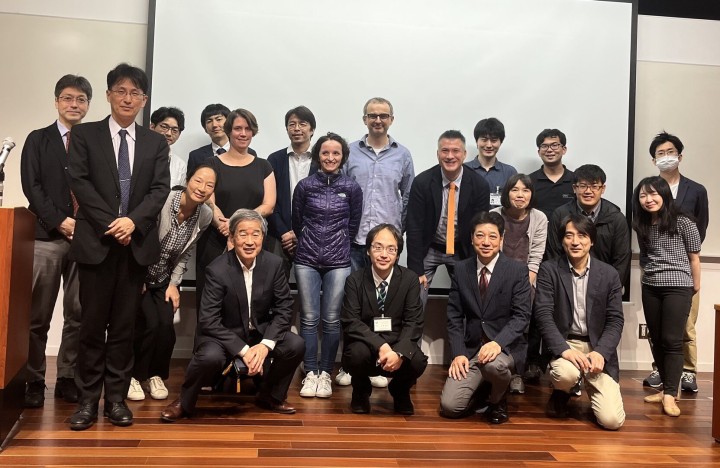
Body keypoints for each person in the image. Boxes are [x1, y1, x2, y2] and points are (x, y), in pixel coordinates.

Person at [67, 63, 170, 430]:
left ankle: (115, 400)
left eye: (136, 93)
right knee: (91, 327)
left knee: (125, 328)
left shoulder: (156, 142)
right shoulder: (85, 136)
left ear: (143, 100)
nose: (128, 99)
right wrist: (113, 223)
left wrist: (133, 222)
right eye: (121, 91)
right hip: (96, 242)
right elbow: (79, 182)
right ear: (109, 94)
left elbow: (159, 190)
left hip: (135, 246)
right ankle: (86, 402)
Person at [160, 209, 305, 421]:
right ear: (232, 237)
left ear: (263, 238)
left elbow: (284, 307)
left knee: (296, 344)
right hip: (224, 335)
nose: (249, 241)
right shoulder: (217, 269)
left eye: (255, 234)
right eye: (242, 234)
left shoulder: (274, 265)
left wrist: (265, 345)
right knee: (209, 357)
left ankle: (271, 396)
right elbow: (208, 320)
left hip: (259, 333)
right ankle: (185, 400)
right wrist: (243, 350)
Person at [20, 74, 92, 408]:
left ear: (88, 104)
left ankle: (66, 377)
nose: (73, 104)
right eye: (67, 98)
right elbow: (31, 187)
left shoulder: (93, 142)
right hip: (46, 237)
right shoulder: (38, 139)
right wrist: (61, 221)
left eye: (80, 99)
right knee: (37, 315)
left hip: (85, 238)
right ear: (56, 101)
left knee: (78, 313)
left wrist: (82, 224)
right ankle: (34, 378)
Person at [338, 97, 414, 388]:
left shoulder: (403, 154)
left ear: (392, 119)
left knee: (385, 308)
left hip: (386, 245)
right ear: (364, 119)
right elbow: (342, 192)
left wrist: (396, 236)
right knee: (354, 306)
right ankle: (350, 364)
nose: (377, 120)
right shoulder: (351, 153)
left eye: (383, 116)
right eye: (372, 115)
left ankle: (381, 363)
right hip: (356, 242)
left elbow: (407, 197)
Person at [128, 165, 216, 402]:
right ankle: (133, 376)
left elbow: (186, 253)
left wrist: (174, 284)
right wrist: (138, 276)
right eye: (199, 181)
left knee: (165, 326)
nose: (202, 188)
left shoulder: (205, 215)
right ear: (188, 180)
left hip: (163, 278)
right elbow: (140, 238)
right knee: (147, 324)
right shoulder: (164, 201)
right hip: (140, 273)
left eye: (210, 185)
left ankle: (154, 375)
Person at [534, 214, 626, 430]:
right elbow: (544, 316)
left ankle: (590, 388)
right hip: (566, 344)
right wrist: (565, 350)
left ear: (592, 241)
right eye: (569, 236)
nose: (575, 242)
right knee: (566, 374)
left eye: (582, 235)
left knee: (612, 421)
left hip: (597, 346)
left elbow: (615, 321)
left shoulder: (609, 274)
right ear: (562, 241)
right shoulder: (549, 270)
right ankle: (562, 391)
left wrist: (601, 352)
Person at [439, 211, 531, 424]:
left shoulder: (517, 270)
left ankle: (498, 399)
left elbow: (521, 316)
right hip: (472, 350)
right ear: (472, 239)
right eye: (480, 236)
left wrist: (497, 343)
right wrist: (459, 353)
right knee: (450, 407)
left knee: (494, 366)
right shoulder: (461, 269)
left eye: (492, 236)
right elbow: (454, 316)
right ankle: (481, 391)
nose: (486, 242)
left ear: (501, 239)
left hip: (503, 349)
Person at [293, 133, 363, 398]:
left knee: (332, 320)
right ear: (317, 156)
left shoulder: (352, 188)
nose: (330, 158)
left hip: (339, 261)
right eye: (325, 153)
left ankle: (326, 374)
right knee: (309, 319)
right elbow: (297, 221)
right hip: (306, 259)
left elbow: (353, 223)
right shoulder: (305, 186)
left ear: (343, 156)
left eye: (336, 153)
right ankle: (310, 372)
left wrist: (339, 243)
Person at [643, 132, 709, 393]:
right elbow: (642, 230)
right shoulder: (648, 189)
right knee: (657, 329)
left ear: (679, 156)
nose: (666, 157)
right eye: (660, 153)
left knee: (685, 326)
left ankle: (689, 372)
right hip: (654, 271)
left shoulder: (696, 190)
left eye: (670, 152)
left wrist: (691, 271)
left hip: (684, 270)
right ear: (653, 160)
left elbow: (700, 229)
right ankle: (661, 370)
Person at [341, 224, 427, 414]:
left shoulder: (410, 279)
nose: (383, 254)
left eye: (391, 249)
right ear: (368, 251)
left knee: (418, 361)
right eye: (377, 247)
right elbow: (351, 321)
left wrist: (399, 352)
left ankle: (400, 391)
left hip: (397, 342)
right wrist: (381, 346)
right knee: (355, 355)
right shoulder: (354, 280)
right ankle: (361, 391)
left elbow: (414, 322)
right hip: (366, 344)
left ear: (397, 254)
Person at [633, 176, 701, 417]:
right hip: (650, 286)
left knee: (672, 340)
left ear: (664, 195)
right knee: (657, 339)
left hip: (678, 286)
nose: (648, 200)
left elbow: (694, 258)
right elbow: (645, 257)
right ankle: (666, 388)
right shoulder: (641, 224)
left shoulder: (684, 222)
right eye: (643, 195)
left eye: (653, 194)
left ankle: (671, 394)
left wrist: (694, 287)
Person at [194, 108, 275, 310]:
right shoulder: (211, 163)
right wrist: (224, 224)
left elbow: (269, 205)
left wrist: (235, 224)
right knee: (211, 305)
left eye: (248, 129)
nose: (243, 133)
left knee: (247, 304)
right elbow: (208, 200)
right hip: (215, 241)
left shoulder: (263, 166)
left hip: (250, 243)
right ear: (229, 131)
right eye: (238, 128)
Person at [406, 130, 490, 307]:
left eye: (455, 151)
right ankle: (413, 335)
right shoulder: (422, 182)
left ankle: (462, 335)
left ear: (464, 154)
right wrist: (416, 271)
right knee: (414, 295)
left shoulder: (479, 185)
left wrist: (475, 265)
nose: (450, 156)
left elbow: (480, 229)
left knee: (468, 300)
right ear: (438, 154)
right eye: (445, 151)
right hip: (430, 248)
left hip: (462, 249)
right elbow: (414, 228)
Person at [490, 173, 548, 394]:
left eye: (525, 190)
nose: (520, 195)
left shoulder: (539, 218)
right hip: (496, 280)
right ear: (507, 193)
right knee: (495, 324)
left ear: (532, 194)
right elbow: (489, 252)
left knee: (520, 329)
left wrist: (522, 289)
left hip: (525, 282)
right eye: (515, 190)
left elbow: (535, 258)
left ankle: (516, 374)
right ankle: (492, 369)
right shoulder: (493, 215)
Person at [545, 164, 631, 287]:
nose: (588, 191)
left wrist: (612, 288)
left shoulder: (616, 218)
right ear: (574, 188)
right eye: (583, 186)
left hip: (604, 285)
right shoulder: (560, 215)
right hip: (566, 284)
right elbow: (553, 253)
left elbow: (621, 259)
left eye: (594, 186)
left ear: (603, 188)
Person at [266, 106, 319, 278]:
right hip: (280, 235)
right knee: (273, 286)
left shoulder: (322, 160)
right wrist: (284, 232)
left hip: (313, 236)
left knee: (311, 290)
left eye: (302, 124)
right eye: (291, 124)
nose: (296, 128)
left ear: (312, 130)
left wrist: (302, 233)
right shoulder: (275, 159)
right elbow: (270, 200)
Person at [186, 104, 257, 176]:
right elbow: (191, 183)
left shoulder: (249, 153)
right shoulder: (196, 156)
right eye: (209, 121)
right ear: (205, 128)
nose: (214, 125)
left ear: (229, 123)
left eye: (219, 119)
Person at [466, 117, 517, 208]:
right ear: (476, 141)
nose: (489, 145)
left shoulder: (510, 172)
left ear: (500, 142)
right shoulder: (464, 170)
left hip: (501, 221)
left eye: (494, 140)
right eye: (484, 140)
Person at [529, 129, 575, 218]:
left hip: (569, 231)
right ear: (539, 152)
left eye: (554, 145)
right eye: (544, 146)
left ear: (564, 149)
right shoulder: (529, 181)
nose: (549, 150)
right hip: (539, 231)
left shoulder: (576, 180)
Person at [149, 106, 187, 188]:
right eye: (164, 127)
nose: (169, 133)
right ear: (152, 127)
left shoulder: (180, 165)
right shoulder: (138, 154)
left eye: (174, 130)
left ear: (179, 135)